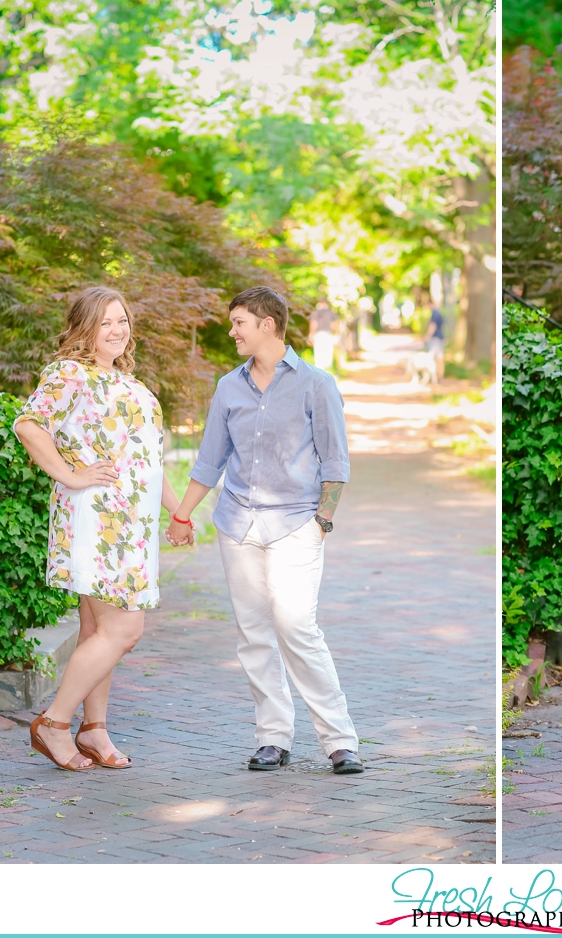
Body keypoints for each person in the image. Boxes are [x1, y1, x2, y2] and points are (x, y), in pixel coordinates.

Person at [167, 287, 364, 774]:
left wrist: (324, 520)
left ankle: (339, 741)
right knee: (253, 634)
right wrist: (182, 514)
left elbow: (335, 460)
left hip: (297, 522)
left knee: (297, 627)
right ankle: (272, 737)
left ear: (268, 324)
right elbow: (210, 460)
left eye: (239, 323)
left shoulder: (315, 383)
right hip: (238, 524)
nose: (232, 331)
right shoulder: (228, 387)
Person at [14, 285, 192, 772]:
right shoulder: (70, 374)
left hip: (132, 527)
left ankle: (93, 729)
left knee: (97, 628)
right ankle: (53, 724)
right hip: (96, 520)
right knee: (124, 628)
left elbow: (149, 463)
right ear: (83, 329)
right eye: (105, 322)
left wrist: (178, 513)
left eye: (123, 321)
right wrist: (69, 475)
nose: (117, 330)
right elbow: (29, 426)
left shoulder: (134, 385)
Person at [310, 299, 337, 371]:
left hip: (319, 335)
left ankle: (319, 374)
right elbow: (333, 325)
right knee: (328, 355)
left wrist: (311, 334)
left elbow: (314, 324)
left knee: (319, 356)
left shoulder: (316, 312)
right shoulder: (331, 312)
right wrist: (335, 334)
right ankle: (328, 372)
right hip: (328, 334)